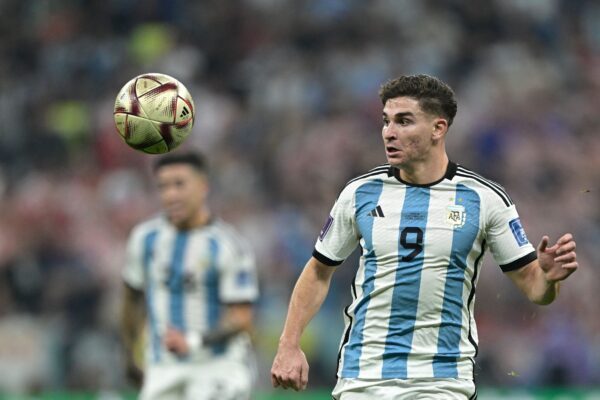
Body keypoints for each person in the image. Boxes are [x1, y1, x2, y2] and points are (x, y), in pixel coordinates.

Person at [270, 74, 578, 399]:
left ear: (438, 128)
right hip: (364, 377)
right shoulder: (360, 193)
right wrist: (289, 344)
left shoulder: (484, 199)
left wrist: (548, 279)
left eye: (404, 121)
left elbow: (534, 287)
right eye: (386, 121)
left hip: (442, 381)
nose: (389, 132)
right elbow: (319, 270)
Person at [120, 151, 259, 400]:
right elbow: (131, 299)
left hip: (218, 367)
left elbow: (242, 318)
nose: (171, 195)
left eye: (179, 185)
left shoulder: (228, 246)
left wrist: (193, 341)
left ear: (203, 187)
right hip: (163, 368)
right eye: (163, 187)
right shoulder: (144, 239)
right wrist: (130, 356)